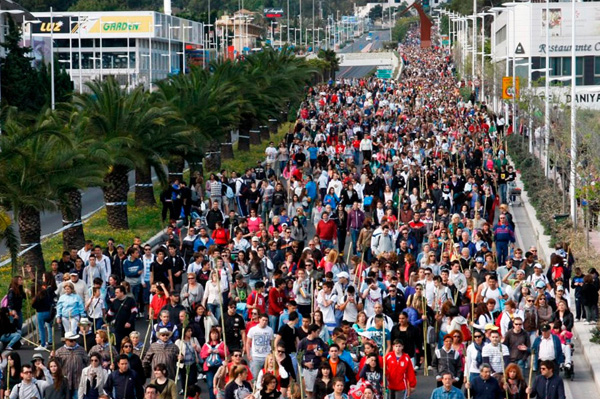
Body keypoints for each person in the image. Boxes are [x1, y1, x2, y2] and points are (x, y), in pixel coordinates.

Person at [53, 331, 89, 399]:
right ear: (66, 341)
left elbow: (88, 362)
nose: (74, 342)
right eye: (71, 340)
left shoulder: (81, 350)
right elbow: (54, 365)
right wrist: (52, 357)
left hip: (78, 381)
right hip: (65, 382)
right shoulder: (59, 351)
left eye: (75, 340)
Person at [106, 285, 138, 351]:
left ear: (122, 292)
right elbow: (110, 313)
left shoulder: (130, 301)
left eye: (117, 292)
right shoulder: (115, 302)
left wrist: (129, 322)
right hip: (118, 327)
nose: (115, 294)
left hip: (128, 328)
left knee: (129, 343)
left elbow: (134, 312)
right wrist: (107, 322)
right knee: (118, 343)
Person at [246, 314, 274, 380]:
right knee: (254, 376)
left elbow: (272, 343)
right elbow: (248, 342)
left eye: (266, 321)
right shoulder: (253, 329)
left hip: (266, 356)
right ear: (259, 320)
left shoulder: (270, 330)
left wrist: (272, 353)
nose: (264, 322)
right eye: (263, 320)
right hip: (255, 356)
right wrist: (248, 354)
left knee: (267, 376)